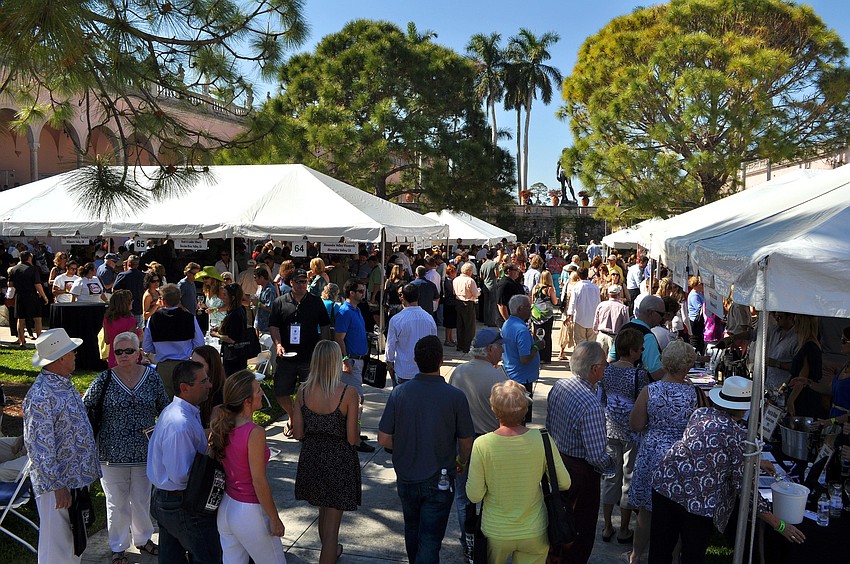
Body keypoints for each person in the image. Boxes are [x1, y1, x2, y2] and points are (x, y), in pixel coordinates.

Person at [650, 377, 803, 563]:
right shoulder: (737, 436)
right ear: (745, 409)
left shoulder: (701, 413)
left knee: (660, 548)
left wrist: (754, 460)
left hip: (666, 484)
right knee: (692, 555)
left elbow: (709, 450)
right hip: (698, 501)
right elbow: (746, 490)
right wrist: (779, 525)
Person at [378, 335, 475, 564]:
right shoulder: (455, 397)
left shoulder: (399, 393)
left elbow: (384, 438)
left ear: (415, 360)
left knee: (412, 531)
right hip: (440, 478)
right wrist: (461, 461)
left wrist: (404, 447)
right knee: (430, 540)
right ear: (441, 361)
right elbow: (466, 441)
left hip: (407, 476)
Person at [82, 332, 167, 564]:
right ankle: (118, 546)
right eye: (118, 351)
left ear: (138, 353)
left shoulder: (151, 377)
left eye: (129, 350)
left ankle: (143, 539)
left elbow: (165, 408)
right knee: (116, 502)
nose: (123, 355)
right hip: (111, 453)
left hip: (144, 451)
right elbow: (85, 408)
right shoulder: (104, 379)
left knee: (141, 499)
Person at [466, 379, 572, 564]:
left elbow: (474, 495)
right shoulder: (543, 439)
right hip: (534, 530)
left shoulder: (482, 444)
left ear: (494, 409)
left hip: (496, 530)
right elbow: (564, 483)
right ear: (525, 410)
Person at [23, 329, 101, 562]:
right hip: (57, 485)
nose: (75, 354)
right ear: (60, 358)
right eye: (71, 351)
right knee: (56, 546)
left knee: (73, 543)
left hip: (74, 479)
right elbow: (39, 446)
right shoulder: (41, 395)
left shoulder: (63, 384)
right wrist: (57, 485)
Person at [627, 340, 700, 564]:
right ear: (687, 366)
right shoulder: (694, 393)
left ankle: (636, 556)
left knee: (646, 512)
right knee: (677, 512)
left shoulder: (650, 391)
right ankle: (674, 556)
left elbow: (636, 424)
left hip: (652, 454)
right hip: (681, 456)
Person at [291, 341, 361, 564]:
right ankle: (331, 551)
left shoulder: (302, 392)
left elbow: (298, 433)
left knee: (323, 512)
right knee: (332, 529)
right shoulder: (348, 393)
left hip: (312, 458)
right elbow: (353, 438)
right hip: (338, 461)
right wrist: (357, 415)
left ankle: (332, 551)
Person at [545, 341, 613, 564]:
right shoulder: (591, 404)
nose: (606, 368)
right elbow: (596, 456)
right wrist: (612, 465)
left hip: (558, 461)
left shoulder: (560, 386)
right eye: (604, 365)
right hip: (580, 474)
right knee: (579, 531)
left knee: (558, 522)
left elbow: (549, 426)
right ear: (594, 369)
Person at [147, 360, 221, 563]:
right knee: (209, 557)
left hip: (168, 500)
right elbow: (181, 476)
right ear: (184, 388)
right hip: (180, 503)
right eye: (203, 381)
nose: (209, 385)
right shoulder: (180, 423)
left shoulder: (183, 412)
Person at [209, 370, 286, 563]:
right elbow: (259, 482)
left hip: (227, 508)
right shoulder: (254, 432)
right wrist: (274, 518)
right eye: (258, 390)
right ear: (246, 401)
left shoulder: (224, 424)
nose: (262, 393)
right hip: (249, 511)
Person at [448, 328, 506, 548]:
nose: (502, 351)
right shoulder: (498, 377)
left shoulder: (458, 372)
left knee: (464, 496)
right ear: (490, 349)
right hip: (490, 444)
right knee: (492, 495)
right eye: (500, 347)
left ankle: (468, 542)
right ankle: (489, 541)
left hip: (462, 443)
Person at [599, 328, 650, 546]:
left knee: (610, 477)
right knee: (628, 479)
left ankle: (607, 525)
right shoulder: (639, 375)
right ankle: (624, 528)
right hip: (632, 433)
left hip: (610, 430)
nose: (642, 351)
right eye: (640, 349)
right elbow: (644, 405)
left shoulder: (606, 371)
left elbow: (601, 400)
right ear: (632, 350)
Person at [269, 268, 331, 437]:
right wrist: (278, 345)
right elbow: (273, 326)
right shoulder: (280, 302)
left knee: (311, 392)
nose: (302, 285)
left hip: (309, 356)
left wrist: (322, 347)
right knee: (281, 391)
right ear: (291, 283)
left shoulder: (315, 301)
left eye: (304, 281)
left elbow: (325, 325)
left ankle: (304, 423)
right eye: (298, 281)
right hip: (286, 356)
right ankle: (293, 416)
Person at [333, 278, 375, 453]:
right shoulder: (344, 312)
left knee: (356, 399)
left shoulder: (356, 310)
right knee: (357, 400)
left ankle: (354, 431)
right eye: (360, 291)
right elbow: (339, 338)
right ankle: (355, 439)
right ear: (351, 292)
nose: (363, 294)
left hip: (359, 360)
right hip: (351, 361)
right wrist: (345, 360)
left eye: (363, 290)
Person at [142, 283, 205, 398]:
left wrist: (159, 349)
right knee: (184, 399)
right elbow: (199, 343)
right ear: (178, 299)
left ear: (163, 301)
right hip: (184, 365)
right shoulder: (189, 317)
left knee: (165, 402)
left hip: (164, 367)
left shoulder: (154, 318)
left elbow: (147, 346)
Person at [385, 283, 438, 385]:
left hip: (404, 370)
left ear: (403, 297)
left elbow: (390, 344)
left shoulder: (396, 320)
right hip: (424, 371)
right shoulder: (429, 318)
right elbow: (434, 344)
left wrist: (389, 362)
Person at [501, 295, 542, 423]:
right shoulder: (521, 330)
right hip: (522, 379)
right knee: (521, 418)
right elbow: (525, 359)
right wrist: (537, 346)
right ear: (520, 309)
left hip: (512, 374)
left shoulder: (508, 323)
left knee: (515, 417)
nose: (531, 310)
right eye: (528, 307)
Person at [608, 295, 666, 381]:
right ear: (651, 313)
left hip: (618, 384)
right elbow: (656, 373)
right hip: (640, 387)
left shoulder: (624, 329)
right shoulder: (648, 336)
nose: (663, 318)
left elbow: (611, 359)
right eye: (662, 314)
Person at [787, 314, 825, 418]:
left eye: (796, 322)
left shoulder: (809, 347)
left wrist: (790, 400)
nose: (794, 326)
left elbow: (802, 378)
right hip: (804, 393)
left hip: (804, 397)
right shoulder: (808, 344)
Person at [10, 251, 49, 347]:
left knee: (20, 319)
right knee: (37, 318)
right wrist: (44, 296)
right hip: (31, 295)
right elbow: (37, 284)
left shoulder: (14, 269)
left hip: (19, 295)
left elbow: (10, 284)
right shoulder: (33, 269)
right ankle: (39, 340)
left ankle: (22, 341)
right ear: (30, 258)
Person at [211, 282, 249, 376]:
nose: (222, 297)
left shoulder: (235, 314)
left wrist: (216, 335)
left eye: (225, 295)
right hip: (237, 354)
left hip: (234, 356)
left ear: (232, 298)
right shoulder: (239, 310)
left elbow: (232, 339)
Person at [102, 290, 142, 368]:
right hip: (129, 359)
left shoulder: (107, 319)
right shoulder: (131, 321)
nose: (132, 301)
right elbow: (133, 344)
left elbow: (107, 340)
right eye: (130, 300)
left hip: (114, 358)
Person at [192, 344, 226, 428]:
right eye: (192, 363)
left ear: (212, 366)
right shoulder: (194, 388)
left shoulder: (219, 394)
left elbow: (215, 431)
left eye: (198, 365)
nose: (193, 368)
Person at [567, 267, 601, 348]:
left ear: (578, 276)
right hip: (592, 319)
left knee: (580, 343)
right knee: (592, 343)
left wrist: (569, 315)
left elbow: (572, 303)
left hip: (580, 319)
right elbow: (598, 302)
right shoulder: (595, 288)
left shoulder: (576, 287)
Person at [764, 312, 798, 393]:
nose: (776, 319)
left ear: (790, 317)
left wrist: (777, 364)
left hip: (784, 388)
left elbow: (798, 367)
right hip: (769, 385)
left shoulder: (797, 338)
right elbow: (753, 334)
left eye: (780, 317)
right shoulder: (773, 330)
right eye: (776, 316)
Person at [531, 270, 559, 363]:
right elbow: (555, 302)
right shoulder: (549, 289)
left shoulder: (536, 287)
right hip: (547, 315)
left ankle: (537, 355)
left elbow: (532, 300)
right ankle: (545, 357)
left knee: (536, 335)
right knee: (547, 335)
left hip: (536, 315)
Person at [593, 284, 630, 356]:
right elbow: (626, 326)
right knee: (613, 360)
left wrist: (597, 331)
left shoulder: (601, 305)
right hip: (615, 338)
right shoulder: (622, 308)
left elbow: (595, 322)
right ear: (619, 294)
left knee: (599, 359)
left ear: (608, 294)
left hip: (601, 335)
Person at [453, 262, 480, 354]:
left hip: (458, 302)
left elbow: (454, 292)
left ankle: (460, 345)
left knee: (460, 325)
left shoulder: (456, 279)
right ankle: (467, 346)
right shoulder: (470, 280)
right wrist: (478, 293)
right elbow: (475, 293)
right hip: (468, 303)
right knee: (469, 326)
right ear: (469, 271)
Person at [113, 255, 146, 326]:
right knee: (138, 329)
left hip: (124, 307)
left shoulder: (122, 275)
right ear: (137, 265)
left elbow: (114, 290)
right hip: (139, 307)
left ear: (128, 263)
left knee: (124, 328)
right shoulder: (143, 276)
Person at [494, 263, 525, 329]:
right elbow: (501, 305)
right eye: (516, 270)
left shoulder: (514, 282)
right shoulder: (504, 284)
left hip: (516, 319)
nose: (518, 272)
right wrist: (508, 321)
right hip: (507, 321)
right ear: (509, 271)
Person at [252, 267, 277, 335]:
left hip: (267, 327)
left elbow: (270, 308)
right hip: (261, 325)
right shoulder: (263, 289)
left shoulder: (270, 290)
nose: (254, 280)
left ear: (262, 277)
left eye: (256, 278)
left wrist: (258, 303)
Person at [442, 264, 458, 346]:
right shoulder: (447, 281)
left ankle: (451, 338)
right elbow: (451, 292)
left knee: (451, 323)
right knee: (448, 323)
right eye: (454, 272)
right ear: (451, 272)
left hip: (453, 304)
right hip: (449, 304)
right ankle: (447, 340)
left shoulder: (452, 280)